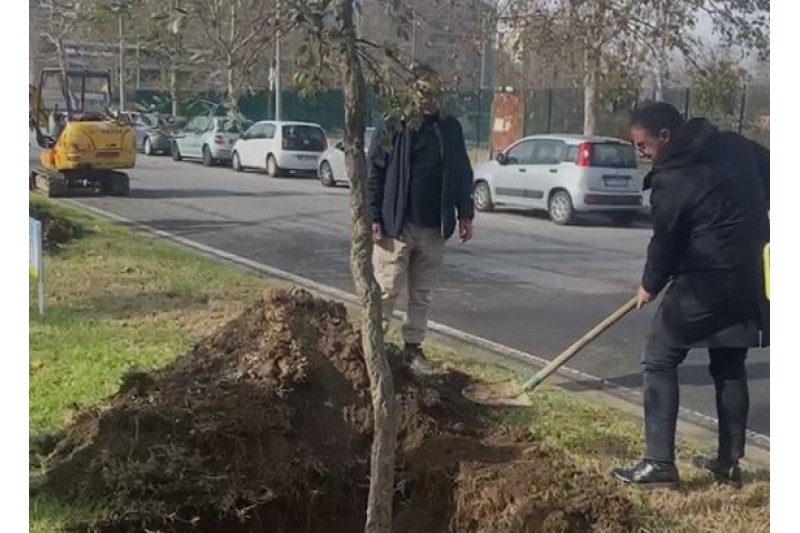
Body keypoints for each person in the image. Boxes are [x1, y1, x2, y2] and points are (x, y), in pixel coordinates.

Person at [611, 102, 769, 489]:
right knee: (730, 362)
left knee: (659, 356)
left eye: (643, 145)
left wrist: (650, 283)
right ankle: (728, 464)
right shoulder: (735, 146)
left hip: (705, 281)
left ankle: (659, 464)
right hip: (749, 273)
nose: (642, 154)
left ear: (665, 137)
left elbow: (665, 240)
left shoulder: (673, 176)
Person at [367, 67, 475, 375]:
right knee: (387, 289)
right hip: (396, 224)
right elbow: (375, 171)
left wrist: (465, 212)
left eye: (433, 93)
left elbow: (462, 172)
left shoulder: (448, 129)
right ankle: (373, 349)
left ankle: (412, 350)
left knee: (422, 294)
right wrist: (373, 216)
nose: (428, 100)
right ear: (411, 92)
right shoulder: (393, 125)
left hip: (434, 227)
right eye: (422, 93)